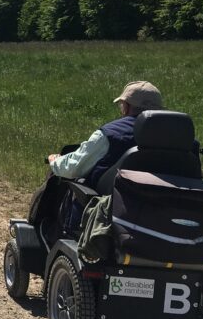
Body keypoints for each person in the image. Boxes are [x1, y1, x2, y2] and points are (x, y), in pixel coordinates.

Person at [30, 80, 164, 235]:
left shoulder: (110, 135)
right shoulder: (183, 141)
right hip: (162, 215)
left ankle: (45, 231)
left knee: (60, 178)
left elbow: (74, 168)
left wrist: (56, 161)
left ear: (126, 107)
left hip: (107, 214)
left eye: (121, 105)